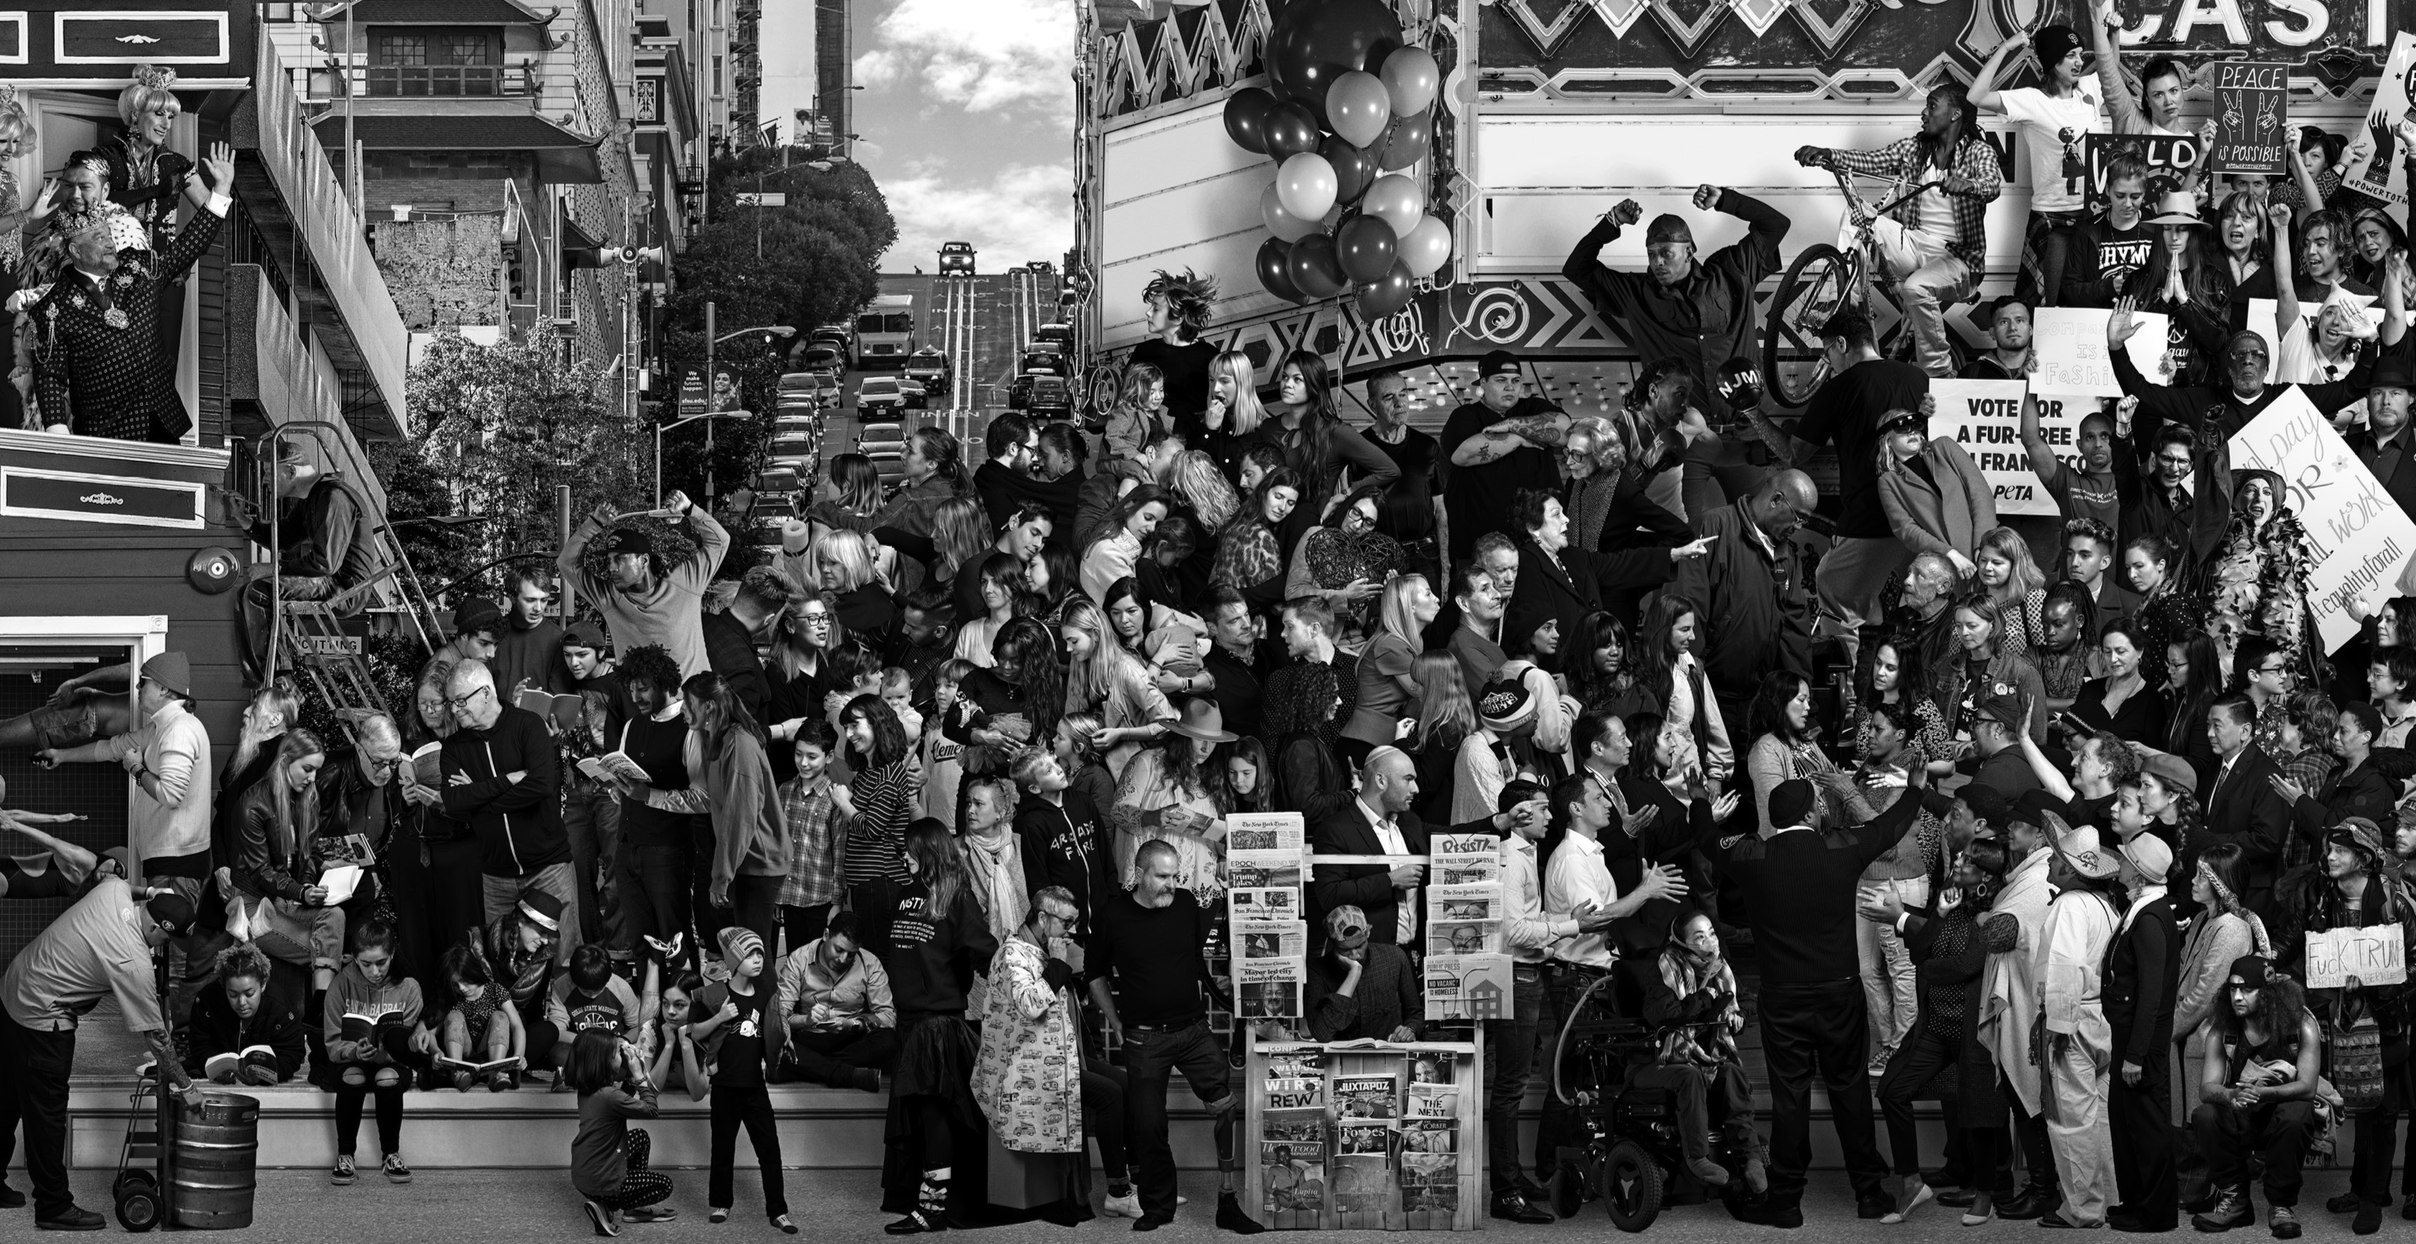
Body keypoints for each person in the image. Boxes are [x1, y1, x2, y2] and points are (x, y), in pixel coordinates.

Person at [1711, 772, 1924, 1227]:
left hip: (1783, 997)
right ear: (1810, 814)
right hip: (1839, 992)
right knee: (1849, 1090)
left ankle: (1785, 1202)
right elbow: (1888, 828)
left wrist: (1696, 803)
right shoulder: (1840, 848)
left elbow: (1709, 840)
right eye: (1819, 804)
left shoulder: (1753, 854)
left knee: (1791, 1097)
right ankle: (1869, 1194)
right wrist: (1916, 790)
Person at [1087, 839, 1259, 1232]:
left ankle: (1226, 1201)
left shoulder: (1184, 904)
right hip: (1144, 1038)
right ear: (1140, 873)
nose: (1171, 884)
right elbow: (1095, 972)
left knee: (1226, 1104)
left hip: (1194, 1029)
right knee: (1149, 1125)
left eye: (1175, 875)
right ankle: (1158, 1206)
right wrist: (1114, 1020)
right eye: (1162, 876)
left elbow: (1204, 950)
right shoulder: (1113, 915)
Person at [1745, 305, 1929, 658]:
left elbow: (1794, 455)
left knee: (1833, 589)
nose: (1828, 361)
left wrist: (1753, 412)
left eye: (1828, 351)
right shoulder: (1918, 379)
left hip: (1871, 517)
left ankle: (1845, 694)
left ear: (1841, 344)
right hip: (1924, 514)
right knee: (1920, 602)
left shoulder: (1839, 388)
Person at [1792, 82, 2002, 376]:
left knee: (1916, 287)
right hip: (1914, 245)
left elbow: (1991, 185)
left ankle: (1939, 373)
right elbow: (1870, 160)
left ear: (1955, 114)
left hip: (1959, 261)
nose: (1923, 113)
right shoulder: (1913, 149)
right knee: (1856, 216)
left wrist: (1969, 185)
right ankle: (1844, 307)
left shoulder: (1979, 152)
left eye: (1932, 105)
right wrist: (1827, 154)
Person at [2272, 819, 2416, 1233]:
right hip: (2341, 1018)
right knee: (2359, 1103)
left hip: (2387, 1020)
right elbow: (2294, 937)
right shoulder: (2320, 896)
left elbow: (2415, 960)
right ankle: (2361, 1186)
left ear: (2365, 858)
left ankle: (2372, 1199)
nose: (2330, 856)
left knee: (2384, 1110)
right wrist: (2269, 961)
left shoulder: (2395, 904)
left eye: (2340, 850)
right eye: (2328, 849)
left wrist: (2381, 985)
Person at [34, 141, 231, 441]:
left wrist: (221, 190)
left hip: (163, 421)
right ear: (75, 249)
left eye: (108, 235)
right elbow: (49, 377)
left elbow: (189, 247)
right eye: (99, 239)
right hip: (106, 436)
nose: (111, 243)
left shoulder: (139, 268)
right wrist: (61, 442)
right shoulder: (53, 309)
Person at [1859, 836, 2010, 1225]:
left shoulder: (1994, 912)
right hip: (1937, 1027)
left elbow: (1965, 966)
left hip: (1973, 1032)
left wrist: (1928, 971)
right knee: (1891, 1090)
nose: (1958, 861)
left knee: (1977, 1115)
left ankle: (1986, 1194)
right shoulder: (1952, 900)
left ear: (1985, 876)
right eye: (1961, 856)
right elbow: (1920, 951)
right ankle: (1912, 1182)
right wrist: (1940, 915)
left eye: (1968, 861)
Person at [856, 821, 997, 1234]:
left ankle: (933, 1210)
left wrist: (1021, 989)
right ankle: (923, 1198)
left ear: (928, 851)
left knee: (936, 1116)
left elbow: (983, 954)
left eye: (909, 850)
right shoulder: (906, 894)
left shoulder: (957, 898)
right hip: (909, 1022)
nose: (904, 856)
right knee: (920, 1115)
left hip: (937, 1025)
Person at [1560, 182, 1791, 421]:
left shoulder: (1732, 270)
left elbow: (1776, 225)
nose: (1657, 261)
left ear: (1689, 253)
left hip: (1753, 427)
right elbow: (1576, 269)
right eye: (1651, 254)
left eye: (1666, 253)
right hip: (1686, 440)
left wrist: (1724, 200)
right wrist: (1611, 222)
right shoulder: (1635, 293)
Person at [971, 885, 1128, 1223]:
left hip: (1060, 1055)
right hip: (1026, 1066)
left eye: (1075, 923)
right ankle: (1118, 1192)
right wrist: (1058, 964)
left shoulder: (1041, 950)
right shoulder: (1012, 954)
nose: (1072, 931)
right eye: (1067, 923)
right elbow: (1031, 1004)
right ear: (1043, 918)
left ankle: (1140, 1182)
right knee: (1110, 1095)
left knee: (1127, 1085)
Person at [31, 650, 210, 903]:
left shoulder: (179, 731)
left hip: (177, 865)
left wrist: (135, 769)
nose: (137, 686)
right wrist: (60, 755)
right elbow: (112, 748)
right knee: (165, 937)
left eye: (143, 681)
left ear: (162, 689)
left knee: (175, 937)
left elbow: (171, 796)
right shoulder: (161, 729)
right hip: (169, 860)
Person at [439, 660, 575, 961]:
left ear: (486, 693)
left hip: (548, 867)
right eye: (451, 703)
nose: (455, 709)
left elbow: (540, 786)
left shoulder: (528, 725)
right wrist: (507, 780)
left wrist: (482, 799)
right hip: (496, 875)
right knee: (502, 961)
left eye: (461, 701)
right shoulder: (453, 747)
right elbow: (454, 802)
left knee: (561, 956)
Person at [1665, 470, 1820, 734]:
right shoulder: (1712, 528)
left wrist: (1804, 703)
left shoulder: (1785, 553)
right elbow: (1686, 610)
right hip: (1709, 696)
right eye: (1798, 518)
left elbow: (1794, 632)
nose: (1799, 527)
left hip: (1760, 700)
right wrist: (1690, 688)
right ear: (1776, 501)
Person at [2187, 954, 2326, 1237]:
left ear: (2268, 993)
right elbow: (2206, 1089)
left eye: (2247, 989)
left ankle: (2281, 1204)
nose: (2237, 996)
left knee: (2298, 1112)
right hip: (2242, 1115)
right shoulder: (2222, 1031)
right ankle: (2235, 1199)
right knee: (2205, 1115)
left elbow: (2308, 1087)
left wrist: (2263, 1093)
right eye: (2233, 988)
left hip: (2279, 1117)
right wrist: (2231, 1095)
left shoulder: (2301, 1026)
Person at [1970, 24, 2106, 306]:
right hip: (2053, 218)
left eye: (2080, 54)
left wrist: (2113, 35)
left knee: (2095, 300)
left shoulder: (2090, 88)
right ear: (2052, 62)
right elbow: (1976, 97)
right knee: (2051, 304)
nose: (2079, 61)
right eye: (2070, 55)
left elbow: (2111, 66)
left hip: (2096, 214)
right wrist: (2007, 48)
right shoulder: (2034, 101)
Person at [2035, 814, 2128, 1229]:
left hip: (2072, 1018)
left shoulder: (2070, 905)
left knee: (2070, 1120)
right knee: (2099, 1118)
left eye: (2057, 860)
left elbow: (2064, 970)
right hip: (2100, 1019)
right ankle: (2108, 1199)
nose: (2051, 865)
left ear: (2071, 869)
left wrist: (2057, 1026)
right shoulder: (2104, 906)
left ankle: (2082, 1209)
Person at [1640, 910, 1769, 1190]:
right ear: (1682, 943)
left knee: (1732, 1074)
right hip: (1661, 1060)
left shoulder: (1720, 968)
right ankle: (1697, 1158)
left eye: (1711, 933)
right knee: (1690, 1077)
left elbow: (1745, 999)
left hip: (1705, 1057)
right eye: (1700, 937)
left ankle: (1751, 1158)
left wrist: (1738, 1016)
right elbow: (1665, 1014)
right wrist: (1704, 998)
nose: (1710, 941)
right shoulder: (1663, 970)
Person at [1503, 487, 1708, 659]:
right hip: (1561, 673)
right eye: (1556, 515)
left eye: (1563, 513)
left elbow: (1622, 563)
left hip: (1590, 665)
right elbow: (1540, 632)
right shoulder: (1526, 563)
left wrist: (1676, 553)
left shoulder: (1572, 556)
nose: (1566, 520)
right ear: (1533, 527)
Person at [687, 927, 797, 1233]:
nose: (758, 959)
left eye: (760, 952)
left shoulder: (764, 994)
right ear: (734, 960)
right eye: (750, 953)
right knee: (722, 1150)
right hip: (724, 1088)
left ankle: (778, 1210)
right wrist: (720, 1018)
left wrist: (783, 1036)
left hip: (755, 1088)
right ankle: (722, 1203)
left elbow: (775, 1024)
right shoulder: (717, 994)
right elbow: (691, 1032)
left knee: (770, 1151)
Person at [558, 489, 732, 679]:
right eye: (609, 560)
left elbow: (719, 541)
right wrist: (593, 524)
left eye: (620, 559)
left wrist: (690, 509)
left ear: (644, 560)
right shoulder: (609, 598)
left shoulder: (685, 583)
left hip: (691, 703)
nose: (612, 568)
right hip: (639, 705)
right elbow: (566, 563)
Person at [319, 919, 436, 1188]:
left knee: (386, 1078)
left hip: (393, 1063)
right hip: (351, 1061)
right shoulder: (340, 985)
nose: (374, 971)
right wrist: (355, 1052)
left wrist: (386, 1053)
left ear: (392, 954)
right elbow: (332, 1045)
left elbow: (409, 1043)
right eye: (366, 963)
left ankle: (391, 1154)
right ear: (354, 959)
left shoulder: (408, 987)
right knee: (353, 1078)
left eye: (381, 962)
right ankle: (345, 1155)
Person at [2104, 831, 2181, 1232]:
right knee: (2127, 1124)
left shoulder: (2150, 919)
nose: (2119, 863)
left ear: (2137, 873)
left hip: (2141, 1044)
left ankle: (2157, 1214)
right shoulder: (2144, 907)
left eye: (2125, 861)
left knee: (2148, 1130)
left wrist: (2135, 1054)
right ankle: (2135, 1202)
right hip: (2130, 1037)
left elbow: (2150, 995)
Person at [228, 728, 345, 991]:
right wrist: (302, 892)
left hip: (287, 898)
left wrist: (307, 887)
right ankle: (322, 1011)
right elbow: (261, 872)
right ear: (284, 762)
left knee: (334, 916)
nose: (313, 778)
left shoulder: (304, 799)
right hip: (253, 904)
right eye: (307, 769)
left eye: (316, 770)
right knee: (323, 948)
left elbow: (307, 856)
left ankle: (320, 1007)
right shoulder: (251, 805)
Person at [2173, 845, 2273, 1125]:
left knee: (2200, 1140)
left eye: (2202, 876)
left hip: (2206, 1041)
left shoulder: (2230, 928)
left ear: (2220, 884)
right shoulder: (2201, 920)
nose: (2193, 881)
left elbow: (2206, 995)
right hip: (2186, 1040)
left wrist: (2166, 1031)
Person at [1437, 352, 1565, 562]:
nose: (1510, 387)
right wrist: (1517, 438)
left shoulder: (1534, 407)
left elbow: (1563, 431)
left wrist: (1509, 425)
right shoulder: (1466, 415)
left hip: (1538, 547)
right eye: (1500, 380)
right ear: (1483, 383)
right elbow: (1463, 454)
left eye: (1516, 381)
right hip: (1480, 551)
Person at [1310, 748, 1429, 956]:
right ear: (1381, 781)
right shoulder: (1334, 830)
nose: (1416, 789)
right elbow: (1329, 894)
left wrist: (1500, 821)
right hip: (1365, 963)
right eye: (1408, 779)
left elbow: (1450, 833)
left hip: (1412, 958)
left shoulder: (1408, 822)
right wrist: (1389, 880)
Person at [568, 1027, 677, 1237]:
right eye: (618, 1053)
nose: (624, 1054)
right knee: (665, 1185)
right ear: (604, 1062)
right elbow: (651, 1110)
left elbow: (624, 1097)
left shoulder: (591, 1089)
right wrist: (638, 1075)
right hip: (604, 1180)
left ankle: (622, 1206)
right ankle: (607, 1205)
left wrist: (628, 1069)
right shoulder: (610, 1097)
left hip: (585, 1172)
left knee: (640, 1138)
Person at [773, 910, 895, 1091]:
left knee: (889, 1041)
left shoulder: (870, 963)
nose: (843, 959)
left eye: (851, 954)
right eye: (838, 949)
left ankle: (806, 1068)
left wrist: (852, 1024)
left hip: (849, 1039)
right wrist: (807, 1020)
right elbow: (780, 1014)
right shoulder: (799, 959)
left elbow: (888, 1017)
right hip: (809, 1036)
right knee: (775, 1042)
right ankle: (845, 1073)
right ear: (826, 935)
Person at [1875, 403, 1995, 572]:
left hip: (1986, 553)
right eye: (1903, 428)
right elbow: (1906, 529)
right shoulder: (1889, 482)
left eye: (1916, 427)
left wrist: (1984, 548)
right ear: (1887, 439)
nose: (1912, 432)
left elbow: (1981, 494)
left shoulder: (1944, 447)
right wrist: (1949, 553)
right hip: (1943, 564)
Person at [2204, 694, 2292, 910]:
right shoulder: (2213, 769)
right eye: (2208, 725)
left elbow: (2268, 839)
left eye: (2217, 726)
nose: (2210, 734)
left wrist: (2210, 840)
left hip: (2252, 894)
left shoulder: (2268, 774)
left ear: (2244, 731)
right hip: (2218, 888)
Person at [1127, 268, 1220, 432]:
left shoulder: (1208, 356)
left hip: (1194, 444)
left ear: (1178, 317)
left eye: (1156, 308)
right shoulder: (1144, 352)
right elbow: (1126, 401)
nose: (1148, 313)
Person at [1960, 295, 2036, 378]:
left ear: (2030, 329)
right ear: (1992, 333)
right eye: (2004, 322)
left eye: (2019, 321)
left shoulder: (2045, 370)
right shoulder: (1970, 374)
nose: (2012, 328)